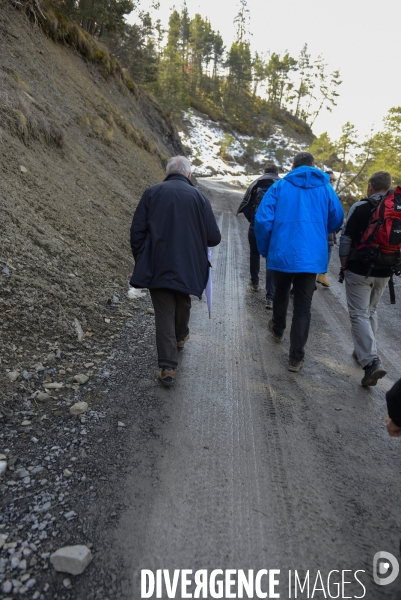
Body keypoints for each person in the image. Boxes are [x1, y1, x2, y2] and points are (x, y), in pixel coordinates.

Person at [129, 156, 221, 387]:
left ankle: (168, 367)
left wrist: (143, 257)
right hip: (189, 265)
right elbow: (214, 237)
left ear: (168, 172)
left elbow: (137, 232)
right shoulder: (199, 197)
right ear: (188, 174)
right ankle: (178, 342)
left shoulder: (152, 192)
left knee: (164, 312)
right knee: (182, 301)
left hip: (157, 263)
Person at [254, 152, 344, 372]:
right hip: (311, 256)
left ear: (293, 166)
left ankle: (277, 329)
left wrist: (265, 249)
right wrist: (318, 229)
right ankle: (296, 358)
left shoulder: (280, 187)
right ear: (313, 167)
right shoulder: (326, 188)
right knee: (303, 306)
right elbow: (337, 218)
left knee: (281, 293)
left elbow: (262, 220)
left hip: (283, 251)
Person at [339, 171, 392, 387]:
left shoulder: (360, 207)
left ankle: (371, 362)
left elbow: (346, 238)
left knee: (359, 315)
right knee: (371, 311)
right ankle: (362, 351)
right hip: (385, 272)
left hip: (360, 271)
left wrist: (343, 266)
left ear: (370, 186)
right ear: (388, 188)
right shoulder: (395, 209)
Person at [237, 163, 280, 309]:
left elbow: (246, 205)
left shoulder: (255, 183)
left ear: (264, 172)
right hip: (274, 229)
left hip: (256, 226)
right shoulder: (281, 184)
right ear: (277, 172)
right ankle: (270, 296)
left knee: (254, 254)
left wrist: (254, 221)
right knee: (270, 260)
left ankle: (254, 282)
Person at [316, 170, 338, 288]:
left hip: (327, 226)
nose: (332, 181)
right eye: (331, 179)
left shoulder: (329, 191)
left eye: (334, 180)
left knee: (328, 248)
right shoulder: (323, 191)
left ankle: (322, 274)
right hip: (320, 226)